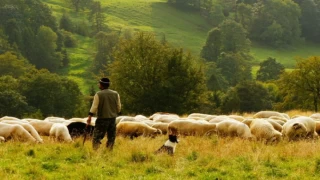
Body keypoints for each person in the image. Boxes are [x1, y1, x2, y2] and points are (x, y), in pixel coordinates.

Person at [87, 77, 121, 150]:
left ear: (101, 85)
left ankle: (96, 152)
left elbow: (94, 107)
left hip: (102, 119)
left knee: (96, 137)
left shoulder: (98, 94)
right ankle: (109, 151)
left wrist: (90, 116)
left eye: (99, 83)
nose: (98, 85)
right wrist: (115, 112)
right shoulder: (115, 94)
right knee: (111, 137)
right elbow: (118, 106)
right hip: (112, 119)